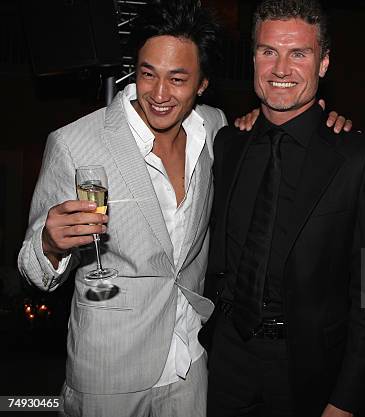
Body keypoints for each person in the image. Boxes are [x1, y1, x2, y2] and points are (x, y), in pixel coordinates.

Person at [17, 1, 224, 415]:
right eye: (148, 74)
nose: (160, 94)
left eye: (178, 79)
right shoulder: (74, 144)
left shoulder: (214, 127)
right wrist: (50, 244)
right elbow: (31, 264)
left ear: (202, 84)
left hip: (190, 360)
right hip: (109, 371)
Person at [203, 1, 365, 416]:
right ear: (253, 57)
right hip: (226, 358)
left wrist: (346, 398)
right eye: (269, 51)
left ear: (323, 64)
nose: (281, 69)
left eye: (298, 54)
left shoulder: (359, 158)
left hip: (308, 370)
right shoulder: (228, 144)